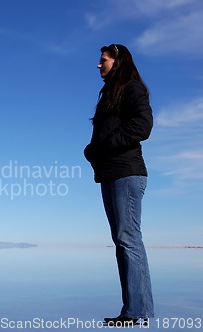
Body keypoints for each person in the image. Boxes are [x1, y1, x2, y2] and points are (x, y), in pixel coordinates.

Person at [84, 44, 154, 326]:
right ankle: (134, 310)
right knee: (122, 242)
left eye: (103, 60)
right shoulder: (110, 93)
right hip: (111, 173)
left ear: (117, 61)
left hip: (127, 173)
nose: (98, 65)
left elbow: (142, 126)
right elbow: (105, 132)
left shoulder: (132, 88)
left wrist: (103, 147)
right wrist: (92, 152)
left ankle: (137, 312)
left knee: (129, 240)